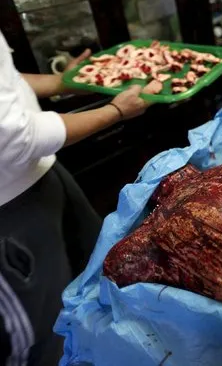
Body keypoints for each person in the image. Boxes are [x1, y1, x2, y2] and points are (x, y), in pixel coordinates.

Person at [0, 31, 150, 365]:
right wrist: (115, 111)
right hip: (9, 211)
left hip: (43, 173)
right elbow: (15, 138)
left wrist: (62, 83)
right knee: (43, 334)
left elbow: (7, 79)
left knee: (100, 271)